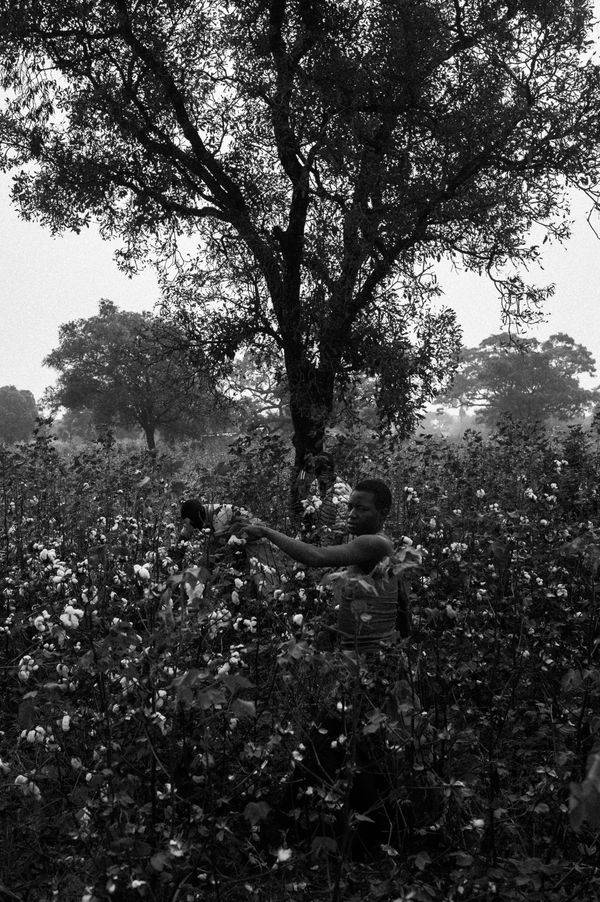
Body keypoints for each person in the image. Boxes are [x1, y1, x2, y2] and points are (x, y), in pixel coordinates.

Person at [242, 477, 412, 649]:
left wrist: (265, 532)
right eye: (350, 507)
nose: (351, 515)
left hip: (368, 658)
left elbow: (316, 557)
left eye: (361, 509)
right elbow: (401, 604)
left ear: (383, 512)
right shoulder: (382, 544)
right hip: (369, 656)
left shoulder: (374, 544)